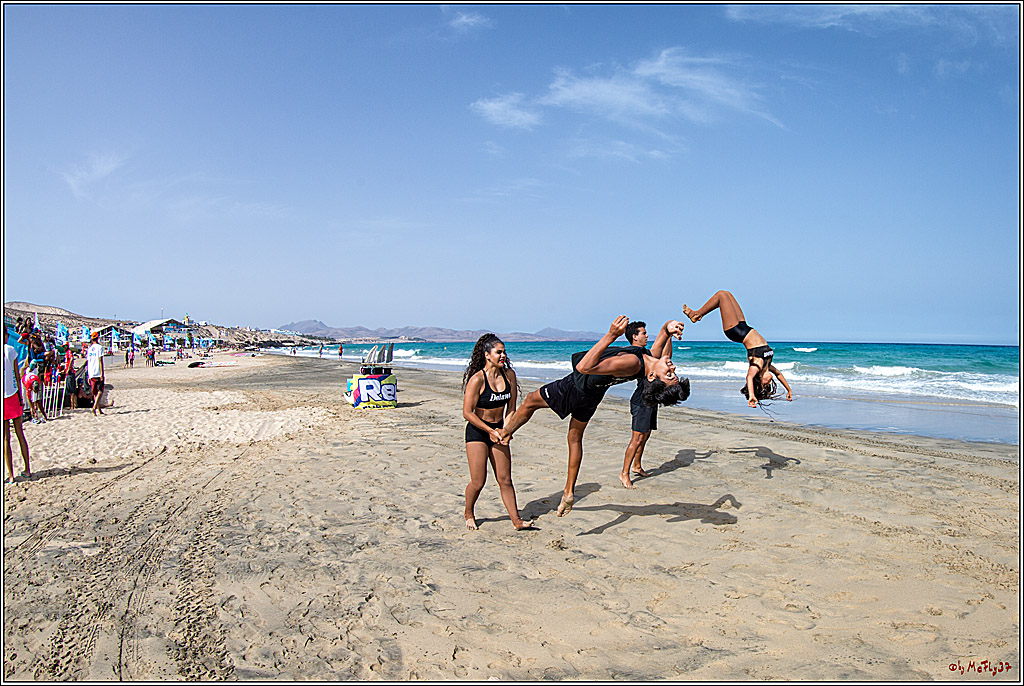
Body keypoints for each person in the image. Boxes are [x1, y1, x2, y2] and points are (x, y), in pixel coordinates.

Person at [496, 317, 690, 516]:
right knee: (574, 437)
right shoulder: (649, 360)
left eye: (669, 375)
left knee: (529, 401)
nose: (672, 368)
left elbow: (584, 367)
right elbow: (659, 344)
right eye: (673, 372)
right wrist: (667, 328)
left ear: (652, 378)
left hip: (574, 388)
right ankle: (568, 492)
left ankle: (504, 432)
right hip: (593, 394)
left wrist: (611, 335)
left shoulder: (632, 362)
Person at [461, 334, 531, 531]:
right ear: (487, 355)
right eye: (498, 352)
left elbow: (511, 408)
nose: (503, 355)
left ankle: (517, 521)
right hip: (478, 431)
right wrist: (490, 431)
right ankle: (469, 512)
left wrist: (506, 431)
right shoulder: (477, 380)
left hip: (499, 430)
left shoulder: (509, 376)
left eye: (504, 352)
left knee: (505, 479)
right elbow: (467, 413)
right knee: (478, 480)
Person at [682, 290, 793, 407]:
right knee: (728, 294)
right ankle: (697, 315)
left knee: (721, 295)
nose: (769, 383)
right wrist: (789, 390)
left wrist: (752, 396)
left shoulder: (757, 365)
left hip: (735, 331)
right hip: (743, 327)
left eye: (765, 385)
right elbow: (779, 375)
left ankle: (696, 315)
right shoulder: (767, 365)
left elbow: (749, 377)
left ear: (760, 380)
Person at [619, 320, 661, 490]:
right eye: (643, 333)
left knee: (646, 434)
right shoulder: (635, 356)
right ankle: (624, 473)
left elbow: (665, 356)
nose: (646, 335)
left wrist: (670, 337)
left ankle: (637, 466)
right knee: (636, 438)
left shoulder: (646, 353)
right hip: (641, 400)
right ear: (635, 337)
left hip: (651, 399)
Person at [4, 327, 31, 484]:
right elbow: (16, 375)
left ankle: (11, 475)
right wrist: (21, 398)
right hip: (13, 395)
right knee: (20, 434)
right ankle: (27, 469)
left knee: (5, 438)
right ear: (6, 335)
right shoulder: (11, 350)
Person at [86, 332, 105, 416]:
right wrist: (102, 373)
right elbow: (100, 361)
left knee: (95, 393)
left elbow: (88, 362)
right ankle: (94, 408)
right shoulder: (99, 347)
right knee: (100, 391)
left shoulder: (89, 349)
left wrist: (89, 375)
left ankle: (99, 410)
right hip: (97, 372)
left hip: (91, 372)